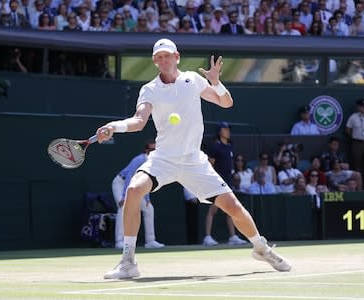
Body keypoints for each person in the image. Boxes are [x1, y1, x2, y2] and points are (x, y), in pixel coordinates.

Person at [97, 38, 292, 279]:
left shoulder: (193, 80)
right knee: (134, 190)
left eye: (167, 55)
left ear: (176, 57)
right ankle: (128, 262)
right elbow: (138, 121)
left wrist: (216, 82)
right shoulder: (149, 89)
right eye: (159, 57)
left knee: (233, 207)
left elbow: (226, 102)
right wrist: (114, 126)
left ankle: (261, 249)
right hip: (164, 159)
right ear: (155, 62)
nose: (163, 60)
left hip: (194, 161)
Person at [111, 140, 164, 250]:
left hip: (135, 187)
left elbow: (147, 181)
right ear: (146, 151)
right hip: (121, 184)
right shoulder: (138, 160)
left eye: (156, 150)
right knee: (123, 207)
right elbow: (130, 177)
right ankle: (119, 241)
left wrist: (147, 198)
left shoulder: (154, 162)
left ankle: (150, 241)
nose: (154, 152)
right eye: (151, 150)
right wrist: (124, 196)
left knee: (149, 209)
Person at [203, 122, 248, 247]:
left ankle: (233, 236)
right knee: (213, 210)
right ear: (220, 132)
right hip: (217, 182)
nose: (228, 131)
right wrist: (212, 180)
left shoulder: (229, 146)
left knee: (231, 209)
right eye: (225, 129)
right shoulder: (215, 147)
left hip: (228, 182)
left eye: (228, 129)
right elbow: (210, 165)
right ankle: (207, 237)